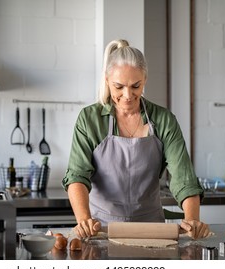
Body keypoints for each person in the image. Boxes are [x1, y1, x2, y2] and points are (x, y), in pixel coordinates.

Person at [62, 39, 210, 240]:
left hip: (152, 232)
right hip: (101, 231)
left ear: (145, 80)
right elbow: (77, 176)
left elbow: (184, 179)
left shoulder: (164, 120)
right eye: (119, 87)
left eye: (135, 86)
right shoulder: (89, 119)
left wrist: (192, 219)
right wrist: (84, 220)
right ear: (107, 80)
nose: (127, 95)